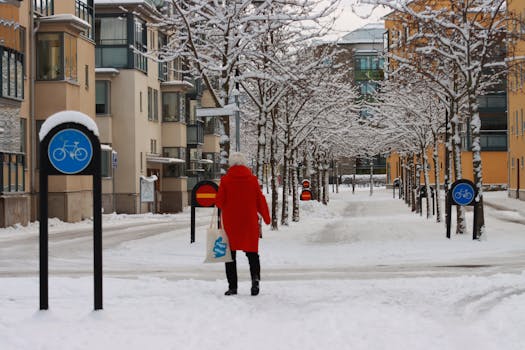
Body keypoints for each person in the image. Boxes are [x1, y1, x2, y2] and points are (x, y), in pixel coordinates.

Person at [216, 152, 271, 296]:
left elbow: (219, 202)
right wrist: (266, 218)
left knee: (230, 256)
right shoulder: (252, 180)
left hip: (230, 223)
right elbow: (260, 200)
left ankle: (233, 287)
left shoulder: (226, 180)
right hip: (249, 222)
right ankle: (255, 281)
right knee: (252, 254)